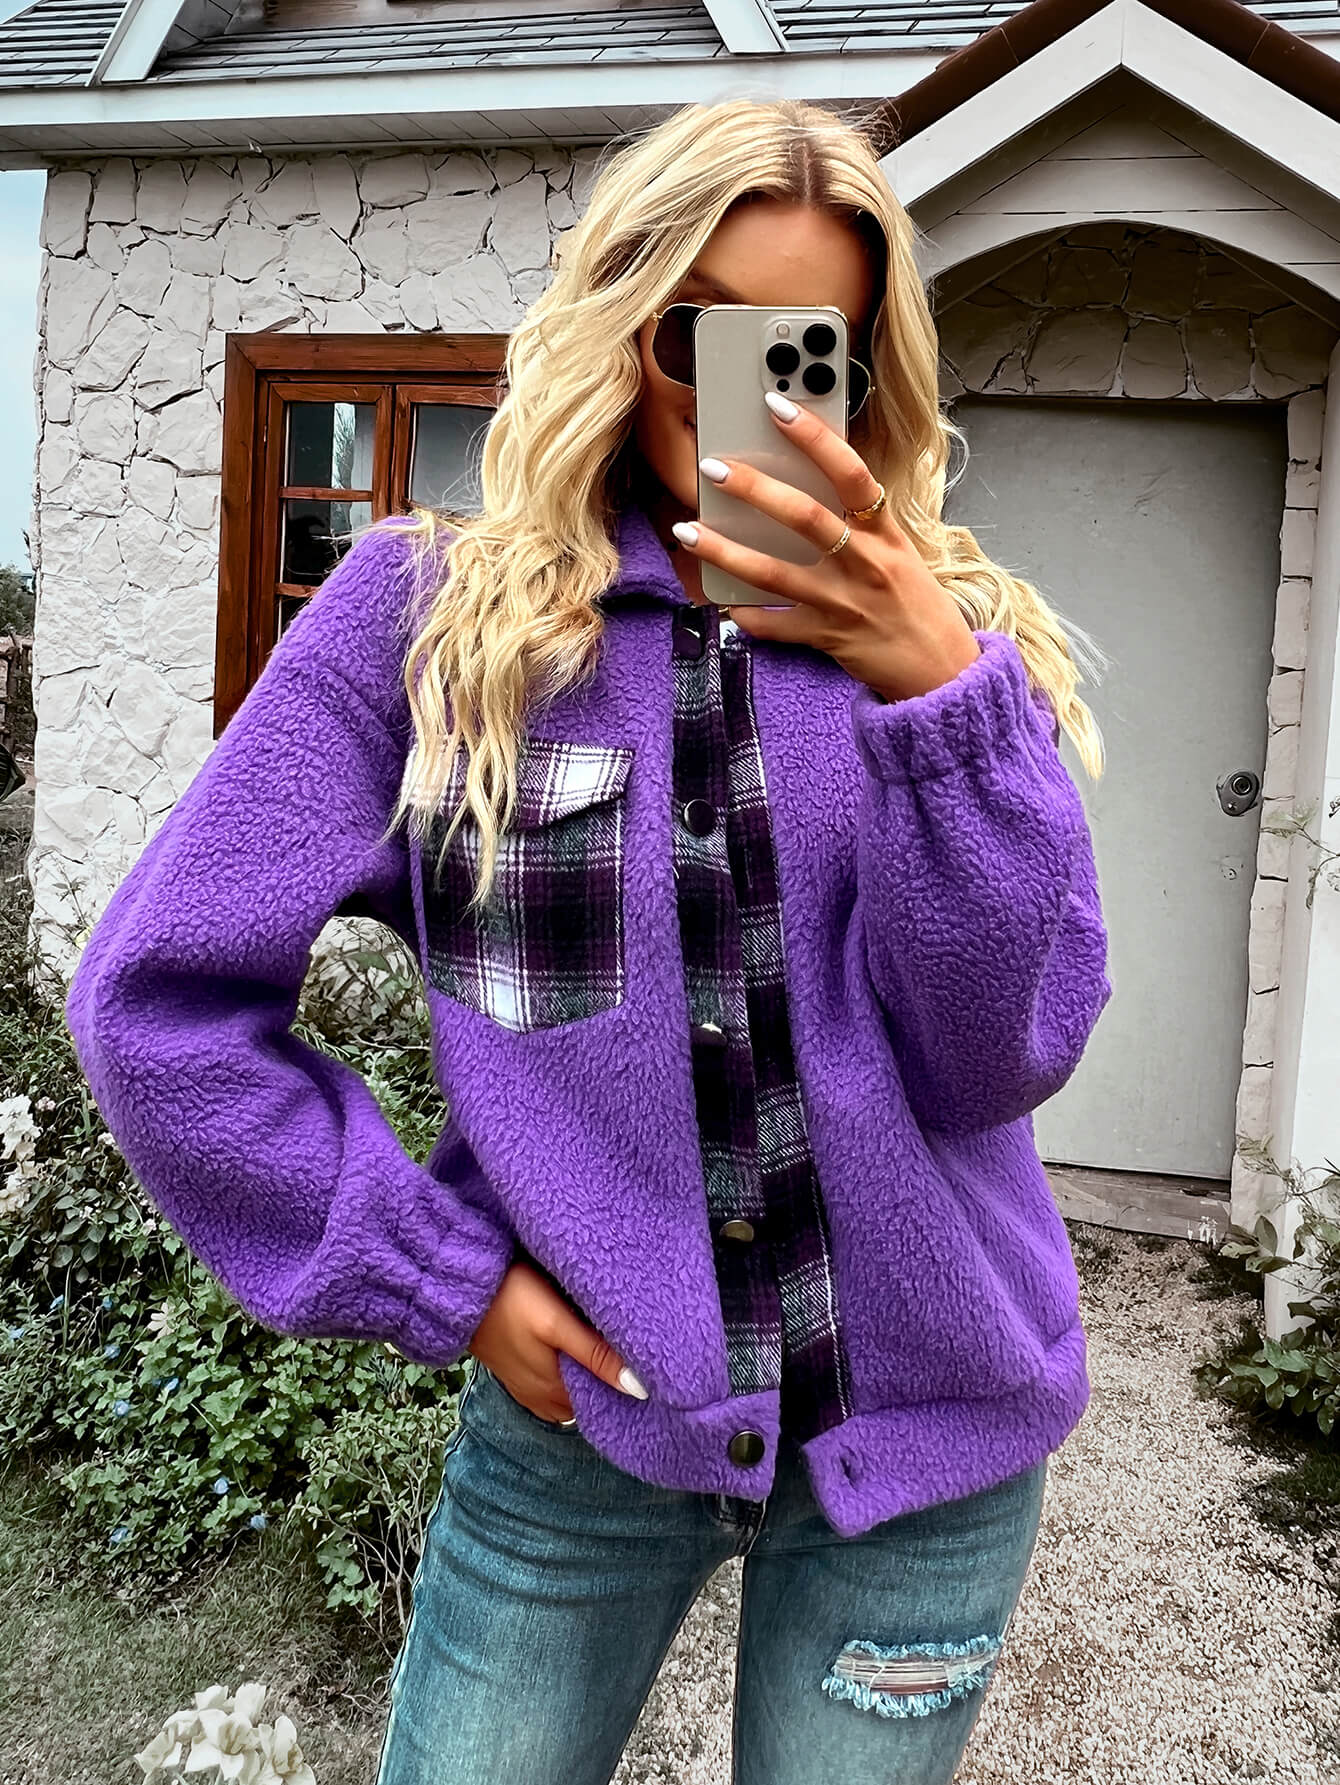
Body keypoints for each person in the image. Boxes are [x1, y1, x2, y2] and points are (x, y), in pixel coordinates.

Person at [65, 96, 1113, 1785]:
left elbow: (1000, 1056)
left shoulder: (963, 659)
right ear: (625, 328)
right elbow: (156, 1007)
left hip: (935, 1446)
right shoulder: (430, 629)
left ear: (865, 372)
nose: (752, 392)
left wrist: (936, 698)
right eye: (704, 331)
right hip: (581, 1443)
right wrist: (441, 1275)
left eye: (808, 350)